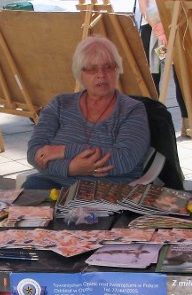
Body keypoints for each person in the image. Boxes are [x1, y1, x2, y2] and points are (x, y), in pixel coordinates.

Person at [24, 36, 150, 190]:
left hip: (106, 191)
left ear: (118, 70)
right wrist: (70, 168)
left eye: (109, 66)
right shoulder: (60, 104)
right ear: (80, 74)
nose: (101, 74)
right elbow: (35, 152)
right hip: (53, 183)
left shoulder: (132, 110)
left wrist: (63, 151)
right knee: (23, 202)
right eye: (92, 68)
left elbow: (124, 159)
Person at [135, 0, 191, 138]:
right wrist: (156, 26)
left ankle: (187, 123)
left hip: (175, 25)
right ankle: (155, 124)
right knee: (154, 76)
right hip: (152, 29)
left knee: (181, 75)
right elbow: (143, 4)